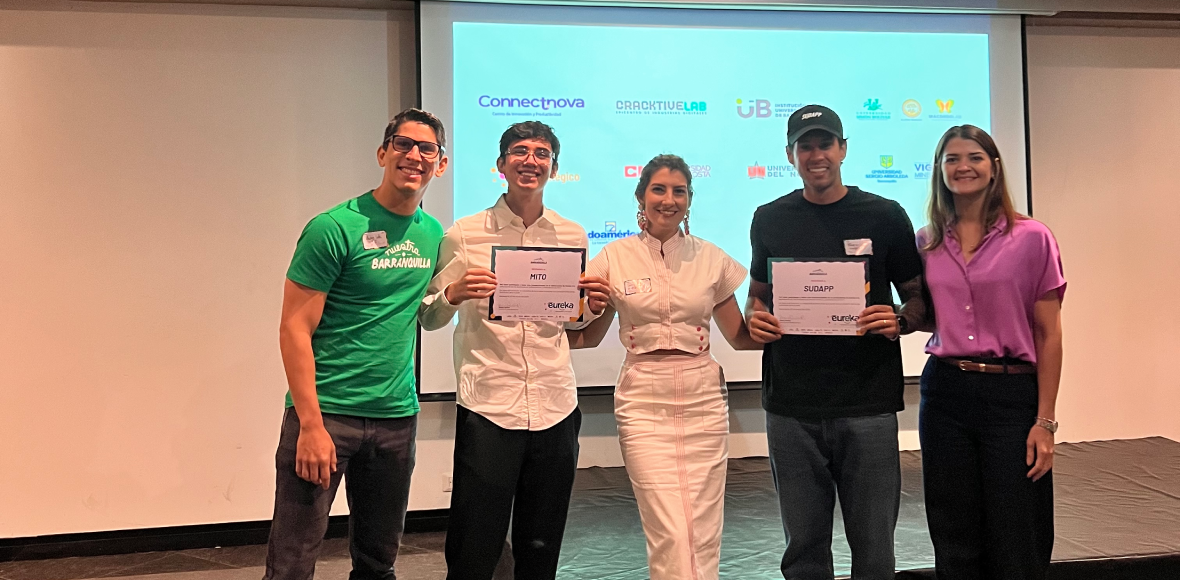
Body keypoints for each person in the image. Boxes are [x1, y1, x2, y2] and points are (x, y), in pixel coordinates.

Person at [417, 121, 610, 580]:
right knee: (474, 544)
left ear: (554, 168)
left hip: (555, 404)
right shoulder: (464, 234)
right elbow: (428, 316)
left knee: (542, 543)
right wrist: (453, 294)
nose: (531, 160)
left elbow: (568, 321)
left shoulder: (571, 235)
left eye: (542, 153)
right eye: (520, 151)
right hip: (490, 405)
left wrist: (591, 308)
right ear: (501, 164)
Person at [265, 108, 450, 580]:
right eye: (403, 144)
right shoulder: (333, 227)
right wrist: (310, 425)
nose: (414, 156)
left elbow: (423, 314)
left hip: (395, 419)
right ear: (383, 153)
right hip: (327, 415)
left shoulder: (432, 234)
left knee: (378, 563)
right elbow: (294, 328)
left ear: (441, 163)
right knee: (291, 565)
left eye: (426, 148)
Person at [744, 104, 928, 580]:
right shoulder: (769, 218)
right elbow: (757, 297)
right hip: (791, 407)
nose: (816, 155)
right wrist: (755, 318)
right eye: (804, 146)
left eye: (825, 143)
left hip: (868, 405)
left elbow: (919, 300)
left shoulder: (885, 216)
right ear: (790, 154)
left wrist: (900, 320)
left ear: (843, 149)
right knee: (803, 551)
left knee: (874, 548)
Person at [577, 154, 760, 580]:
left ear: (689, 199)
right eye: (658, 189)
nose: (668, 199)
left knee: (703, 528)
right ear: (640, 196)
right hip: (642, 397)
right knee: (669, 530)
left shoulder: (711, 258)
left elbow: (740, 337)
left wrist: (807, 326)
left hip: (703, 397)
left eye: (679, 191)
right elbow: (588, 335)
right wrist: (520, 318)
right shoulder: (613, 258)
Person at [916, 125, 1064, 580]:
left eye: (975, 157)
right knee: (953, 531)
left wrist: (1045, 421)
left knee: (1017, 531)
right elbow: (931, 315)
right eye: (952, 159)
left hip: (1010, 395)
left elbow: (1049, 334)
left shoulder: (1033, 238)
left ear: (994, 166)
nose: (964, 167)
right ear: (939, 170)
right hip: (945, 393)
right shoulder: (926, 241)